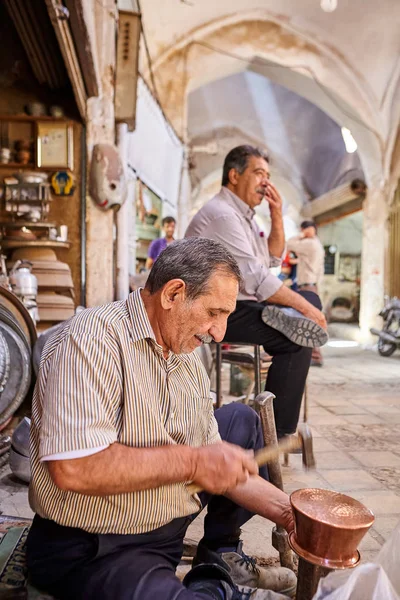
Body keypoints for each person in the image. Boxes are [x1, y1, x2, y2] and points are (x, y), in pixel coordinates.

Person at [27, 237, 297, 600]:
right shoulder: (91, 341)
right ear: (172, 294)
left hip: (165, 524)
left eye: (226, 316)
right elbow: (73, 467)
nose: (219, 333)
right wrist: (194, 461)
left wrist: (291, 515)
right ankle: (214, 582)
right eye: (214, 313)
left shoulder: (185, 351)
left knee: (239, 423)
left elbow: (218, 463)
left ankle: (219, 555)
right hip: (98, 546)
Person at [185, 145, 327, 439]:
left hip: (241, 305)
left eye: (268, 175)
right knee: (296, 337)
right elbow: (256, 279)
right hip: (217, 311)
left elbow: (272, 259)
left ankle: (273, 427)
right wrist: (306, 310)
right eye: (258, 173)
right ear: (234, 175)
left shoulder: (245, 217)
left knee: (306, 308)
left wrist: (276, 214)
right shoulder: (224, 215)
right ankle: (273, 435)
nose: (265, 181)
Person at [287, 221, 325, 366]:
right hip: (313, 286)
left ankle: (314, 355)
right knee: (311, 319)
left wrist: (302, 234)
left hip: (307, 287)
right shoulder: (317, 244)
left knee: (308, 321)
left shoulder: (309, 244)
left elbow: (289, 244)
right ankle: (315, 355)